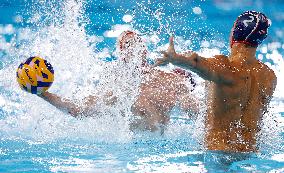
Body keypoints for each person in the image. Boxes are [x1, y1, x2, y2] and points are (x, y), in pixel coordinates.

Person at [155, 11, 277, 152]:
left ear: (235, 33)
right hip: (250, 153)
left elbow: (195, 62)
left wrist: (175, 59)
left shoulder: (225, 67)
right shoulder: (269, 76)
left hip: (217, 152)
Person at [39, 31, 198, 132]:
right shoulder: (117, 90)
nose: (134, 48)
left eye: (138, 43)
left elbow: (195, 107)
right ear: (121, 56)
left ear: (145, 50)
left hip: (163, 150)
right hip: (133, 152)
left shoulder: (167, 80)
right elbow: (77, 109)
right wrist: (42, 94)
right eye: (128, 45)